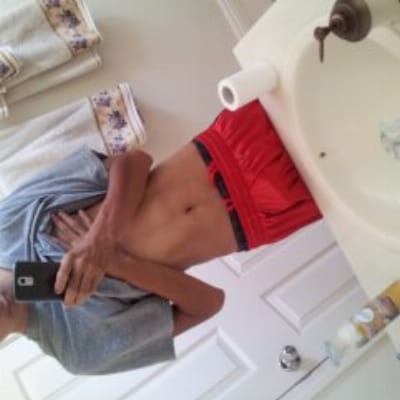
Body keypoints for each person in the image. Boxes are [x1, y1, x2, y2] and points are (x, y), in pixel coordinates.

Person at [0, 100, 321, 374]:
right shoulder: (79, 352)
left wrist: (102, 236)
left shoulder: (6, 227)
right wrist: (117, 264)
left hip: (231, 143)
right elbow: (209, 303)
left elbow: (134, 161)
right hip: (261, 214)